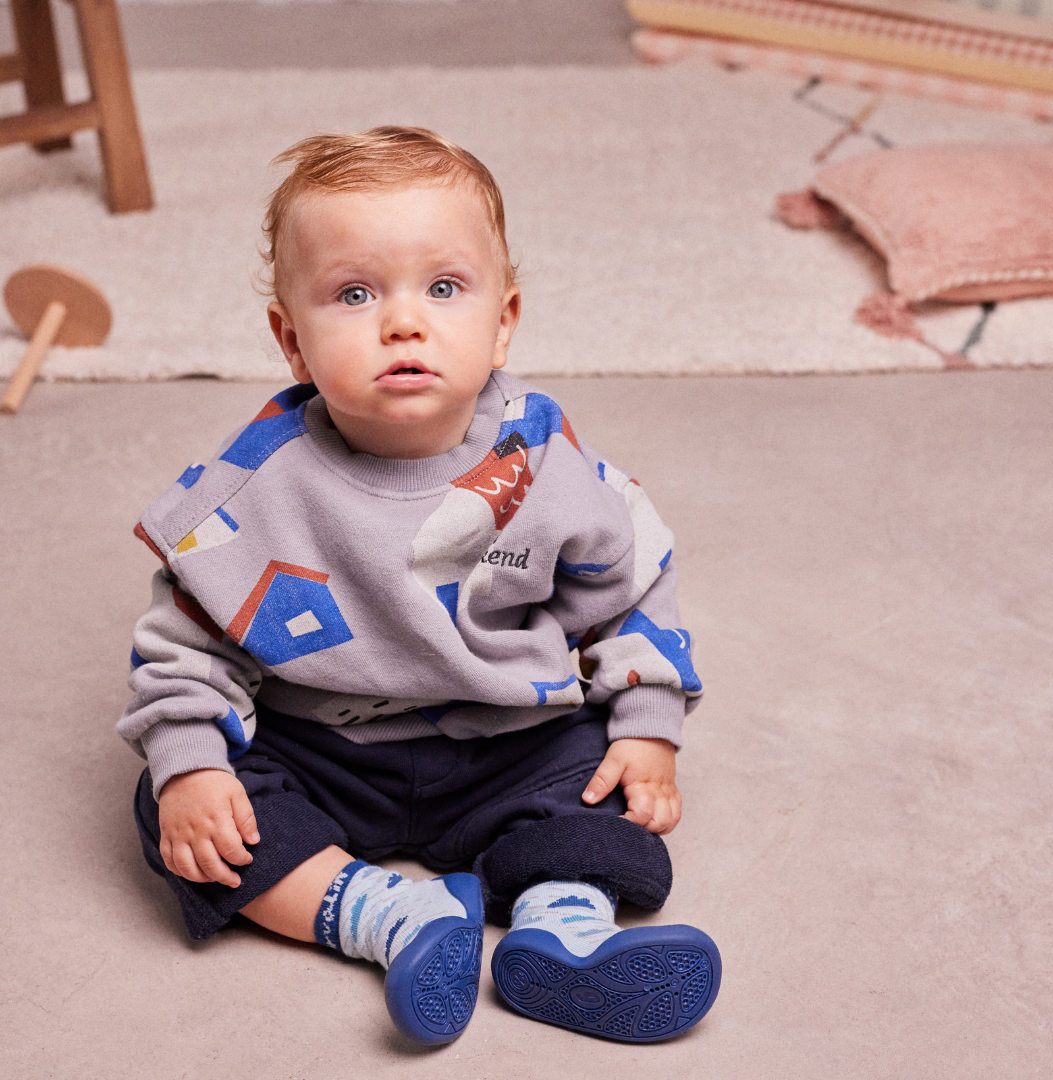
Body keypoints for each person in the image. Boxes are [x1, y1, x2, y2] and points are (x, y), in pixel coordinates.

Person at [119, 126, 720, 1046]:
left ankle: (563, 933)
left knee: (599, 793)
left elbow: (630, 585)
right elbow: (186, 646)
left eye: (443, 288)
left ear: (503, 320)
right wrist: (191, 761)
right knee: (190, 814)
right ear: (291, 339)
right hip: (321, 746)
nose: (403, 322)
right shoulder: (255, 488)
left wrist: (647, 722)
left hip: (510, 740)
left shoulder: (541, 459)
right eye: (354, 294)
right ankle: (389, 917)